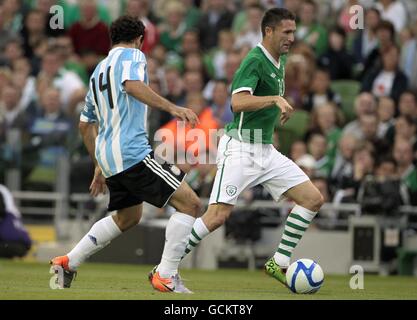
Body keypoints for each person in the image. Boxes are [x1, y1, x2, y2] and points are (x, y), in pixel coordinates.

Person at [49, 16, 202, 293]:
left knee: (129, 217)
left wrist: (99, 165)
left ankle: (68, 262)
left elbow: (85, 125)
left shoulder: (97, 72)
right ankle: (166, 276)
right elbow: (132, 85)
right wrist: (173, 108)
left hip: (110, 157)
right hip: (132, 151)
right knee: (190, 204)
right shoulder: (134, 56)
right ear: (139, 40)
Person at [180, 8, 324, 288]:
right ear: (268, 31)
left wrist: (275, 105)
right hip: (241, 149)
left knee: (312, 199)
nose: (292, 38)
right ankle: (165, 266)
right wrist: (274, 100)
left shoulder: (279, 60)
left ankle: (279, 263)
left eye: (294, 32)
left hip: (265, 150)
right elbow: (238, 104)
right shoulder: (254, 60)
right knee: (217, 216)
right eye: (287, 32)